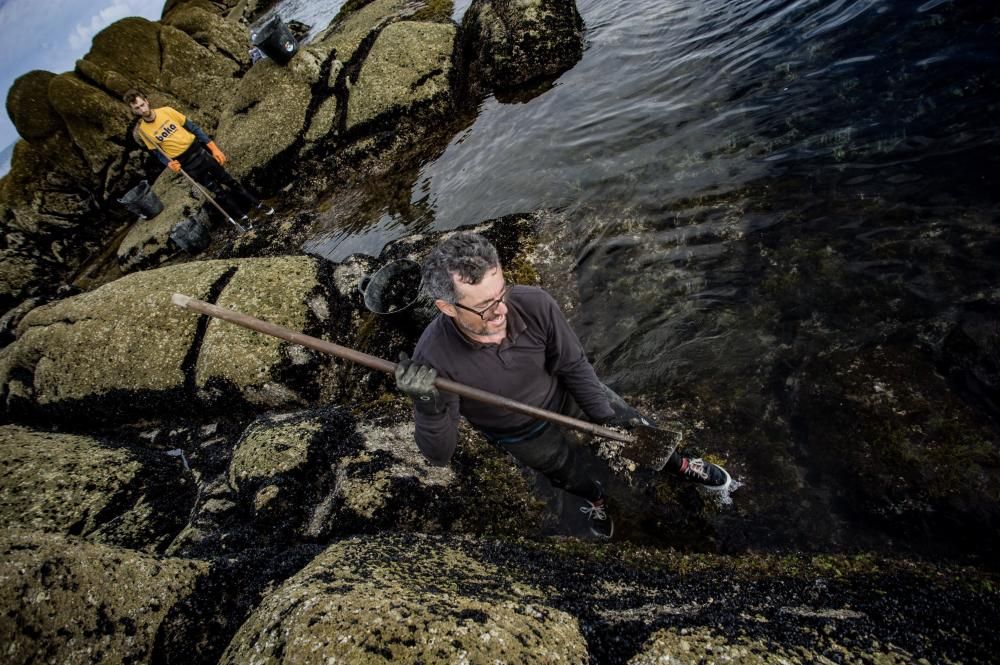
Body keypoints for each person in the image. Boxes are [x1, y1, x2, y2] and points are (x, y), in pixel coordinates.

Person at [395, 232, 732, 540]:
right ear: (446, 307)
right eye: (484, 306)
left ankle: (680, 464)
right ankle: (595, 497)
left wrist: (604, 417)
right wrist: (429, 407)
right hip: (519, 431)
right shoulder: (435, 359)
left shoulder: (533, 303)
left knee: (631, 425)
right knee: (563, 471)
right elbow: (439, 455)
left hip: (566, 394)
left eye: (501, 295)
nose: (501, 312)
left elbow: (573, 365)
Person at [123, 89, 274, 224]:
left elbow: (193, 128)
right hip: (187, 165)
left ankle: (258, 204)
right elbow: (157, 152)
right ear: (133, 110)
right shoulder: (143, 132)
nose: (142, 109)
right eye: (137, 108)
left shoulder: (167, 111)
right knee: (217, 191)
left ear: (147, 101)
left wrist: (214, 148)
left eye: (142, 104)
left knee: (229, 181)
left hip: (199, 152)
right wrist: (169, 164)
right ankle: (243, 218)